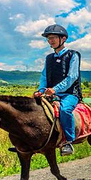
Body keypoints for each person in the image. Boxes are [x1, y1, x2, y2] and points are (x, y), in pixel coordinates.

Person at [34, 24, 81, 156]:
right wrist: (41, 90)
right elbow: (44, 76)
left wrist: (55, 89)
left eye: (53, 37)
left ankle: (68, 142)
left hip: (70, 94)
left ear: (63, 38)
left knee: (65, 110)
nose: (51, 41)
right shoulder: (49, 58)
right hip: (51, 94)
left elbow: (72, 77)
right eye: (49, 38)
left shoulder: (73, 55)